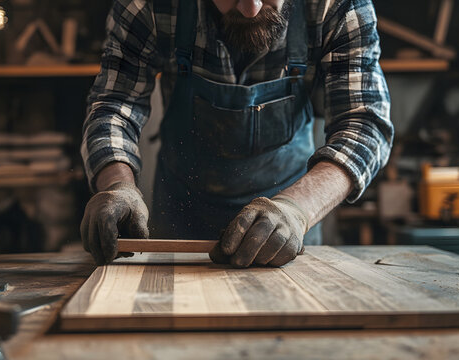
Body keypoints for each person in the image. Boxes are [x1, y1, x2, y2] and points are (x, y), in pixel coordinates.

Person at [80, 0, 393, 268]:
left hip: (289, 223)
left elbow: (364, 124)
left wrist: (296, 210)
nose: (250, 8)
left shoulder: (335, 6)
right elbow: (114, 103)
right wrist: (116, 185)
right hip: (181, 216)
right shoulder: (151, 5)